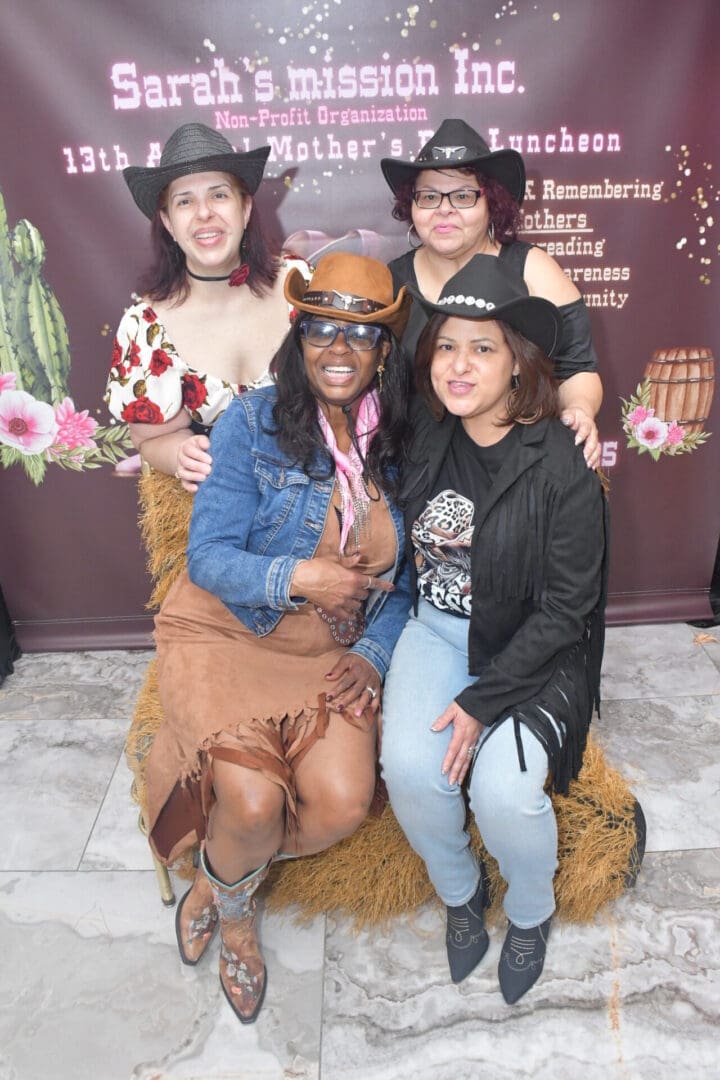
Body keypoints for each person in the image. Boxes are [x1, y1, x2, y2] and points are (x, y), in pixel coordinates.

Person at [145, 253, 413, 1024]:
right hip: (230, 631)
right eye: (321, 329)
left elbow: (416, 581)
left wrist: (373, 651)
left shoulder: (405, 443)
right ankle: (235, 918)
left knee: (339, 805)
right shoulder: (253, 422)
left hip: (329, 651)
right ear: (297, 338)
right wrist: (302, 576)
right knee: (256, 803)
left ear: (382, 352)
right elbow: (209, 557)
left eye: (358, 335)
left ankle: (219, 875)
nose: (338, 349)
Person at [380, 254, 607, 1004]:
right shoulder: (425, 438)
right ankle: (459, 893)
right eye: (446, 345)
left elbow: (567, 610)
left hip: (532, 647)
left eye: (483, 347)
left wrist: (484, 703)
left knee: (504, 793)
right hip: (439, 631)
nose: (459, 363)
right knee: (413, 771)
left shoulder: (561, 462)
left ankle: (532, 914)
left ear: (518, 363)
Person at [380, 117, 603, 468]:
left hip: (518, 466)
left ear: (492, 204)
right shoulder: (390, 282)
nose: (444, 209)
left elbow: (578, 368)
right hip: (419, 468)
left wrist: (579, 410)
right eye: (428, 196)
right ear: (411, 205)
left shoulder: (534, 270)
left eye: (464, 195)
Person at [105, 122, 308, 491]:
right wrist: (181, 453)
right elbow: (151, 439)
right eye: (184, 201)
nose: (203, 214)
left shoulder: (299, 284)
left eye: (218, 195)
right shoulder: (146, 326)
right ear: (167, 221)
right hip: (226, 513)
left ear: (245, 208)